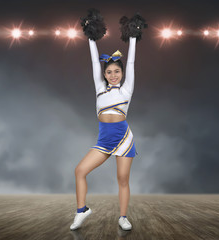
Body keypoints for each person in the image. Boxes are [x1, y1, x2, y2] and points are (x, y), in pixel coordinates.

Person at [70, 9, 147, 231]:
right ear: (105, 74)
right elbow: (95, 62)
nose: (113, 75)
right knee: (80, 171)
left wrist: (133, 36)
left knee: (122, 180)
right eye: (109, 72)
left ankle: (123, 217)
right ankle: (82, 210)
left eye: (117, 72)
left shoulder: (126, 91)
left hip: (123, 138)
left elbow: (130, 63)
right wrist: (91, 38)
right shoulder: (100, 90)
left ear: (122, 74)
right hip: (104, 139)